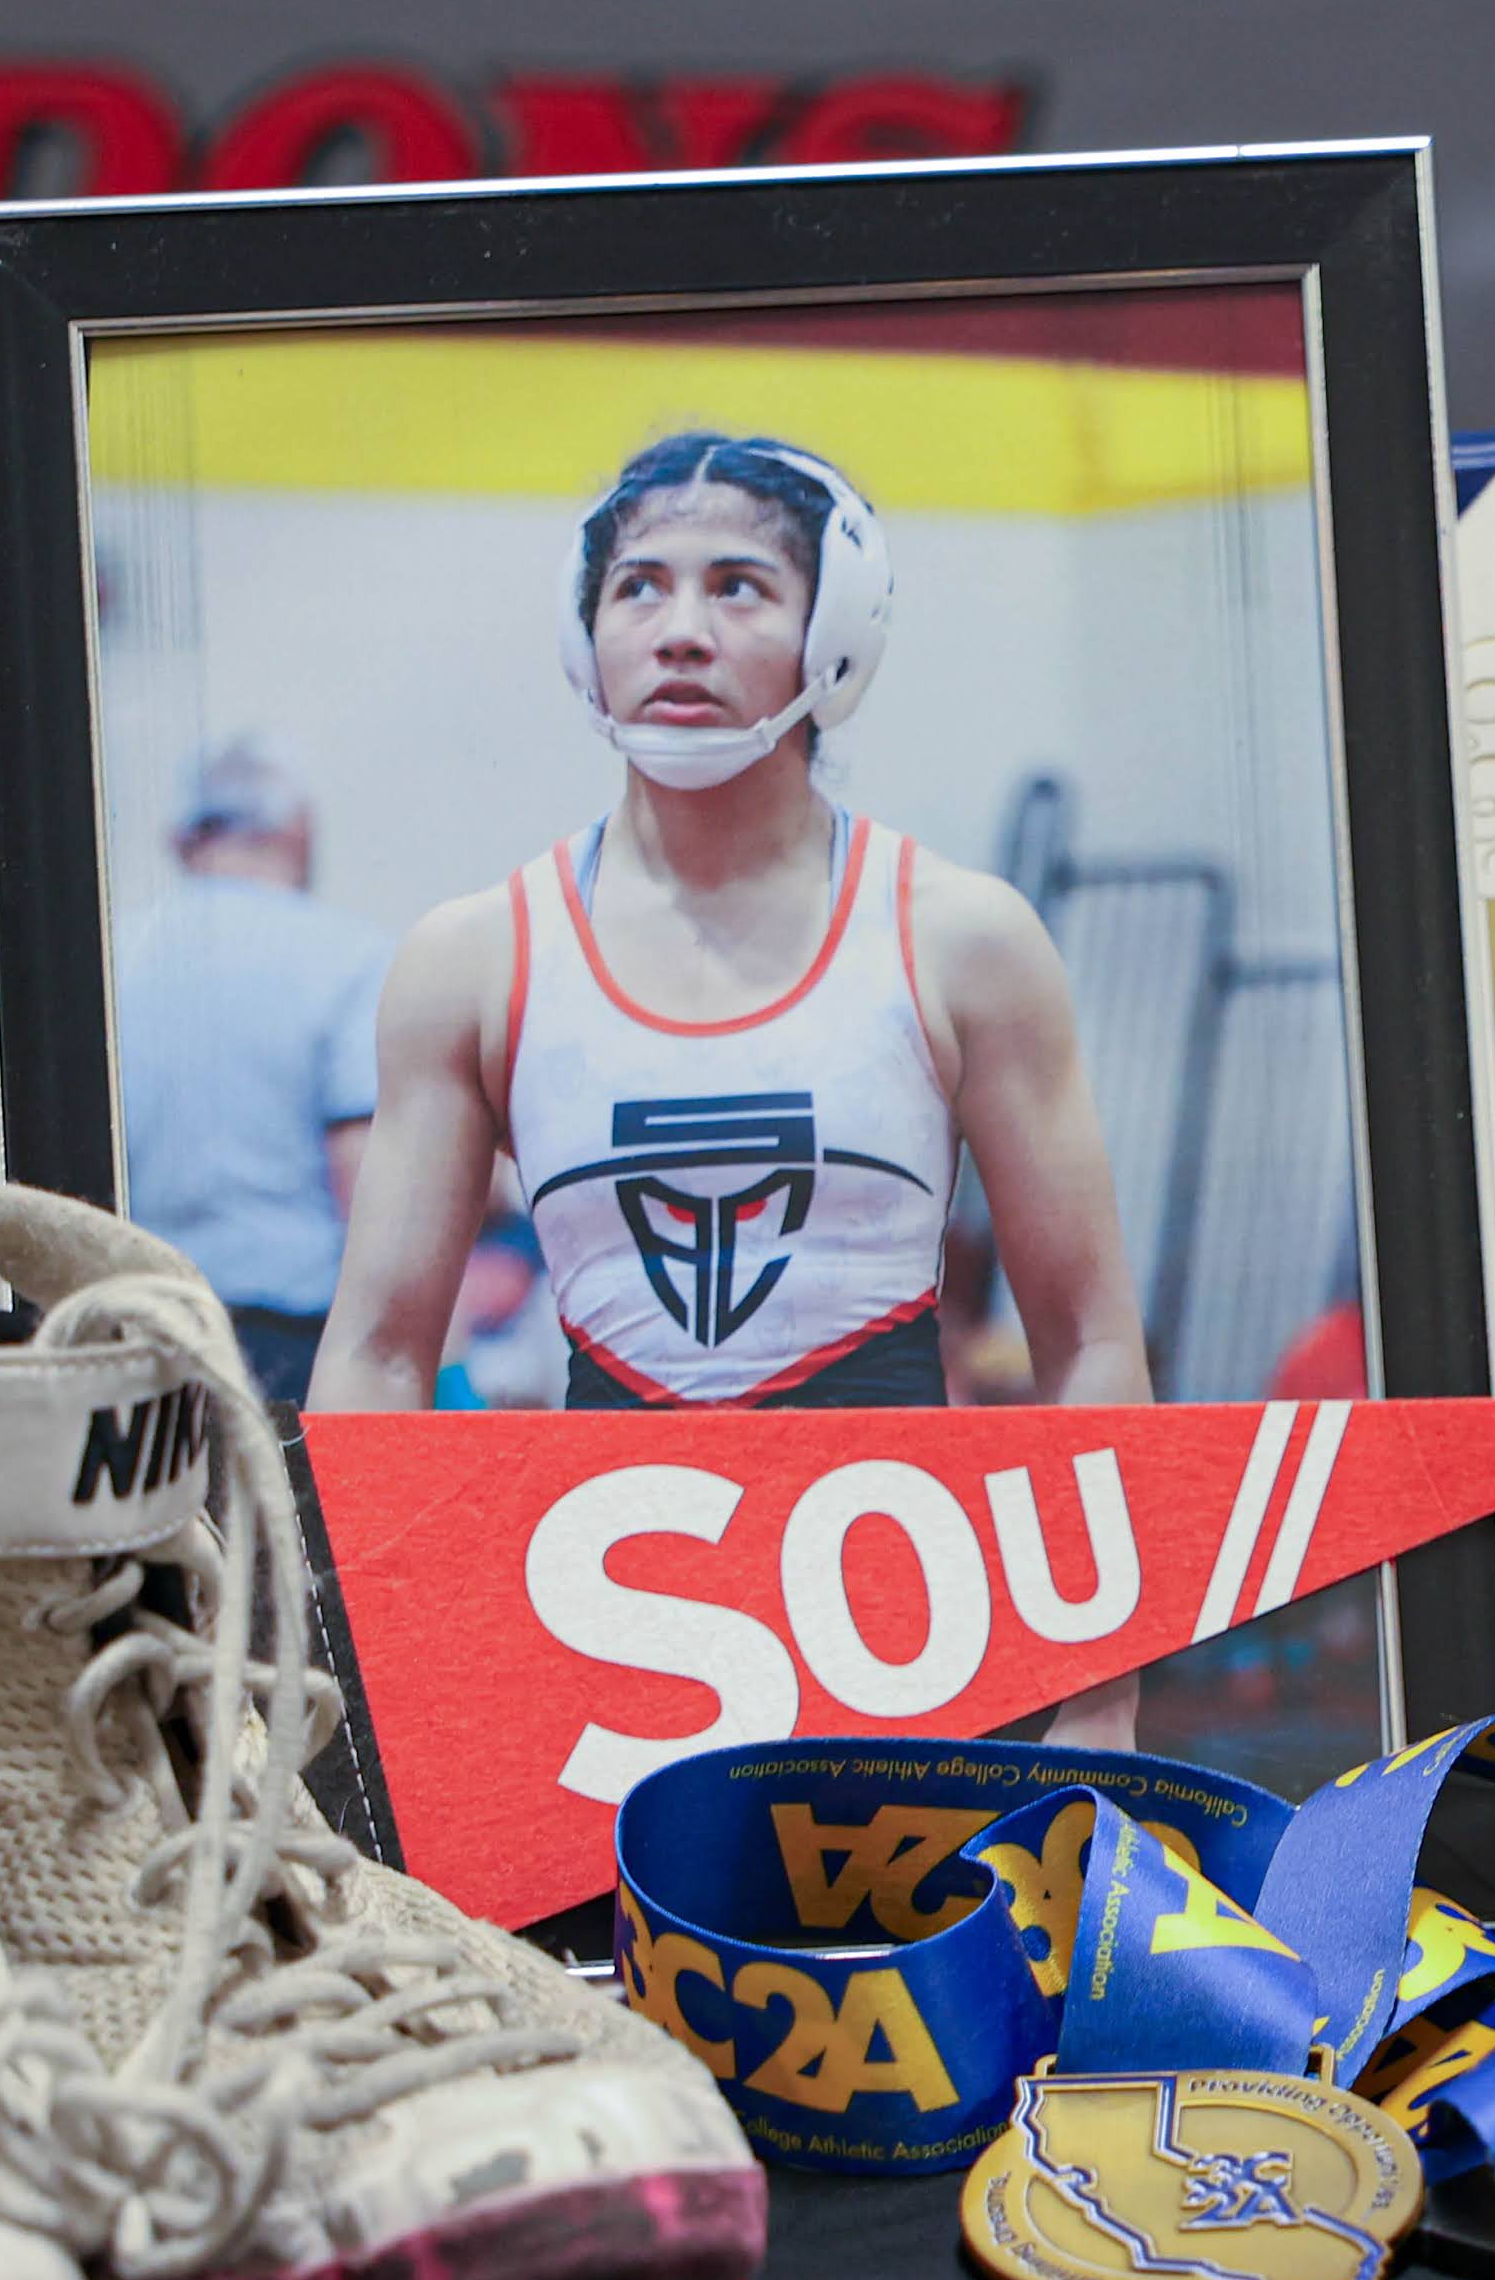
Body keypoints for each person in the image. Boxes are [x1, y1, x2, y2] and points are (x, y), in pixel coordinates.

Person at [317, 431, 1149, 1737]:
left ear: (839, 633)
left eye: (739, 587)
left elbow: (1090, 1337)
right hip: (605, 1643)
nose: (679, 631)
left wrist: (1099, 1717)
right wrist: (372, 1726)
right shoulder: (472, 958)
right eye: (637, 587)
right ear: (580, 632)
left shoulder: (960, 940)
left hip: (903, 1639)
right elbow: (374, 1356)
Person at [110, 738, 388, 1406]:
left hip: (132, 1337)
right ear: (297, 834)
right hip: (293, 1346)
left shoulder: (112, 958)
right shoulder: (351, 958)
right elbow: (369, 1182)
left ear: (180, 842)